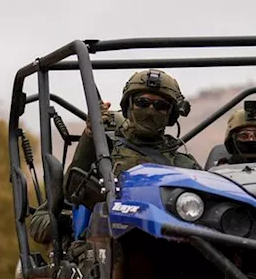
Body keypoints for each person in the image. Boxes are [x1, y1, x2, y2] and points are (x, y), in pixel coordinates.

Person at [66, 69, 199, 201]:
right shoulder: (104, 149)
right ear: (128, 106)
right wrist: (90, 135)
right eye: (142, 103)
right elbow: (71, 191)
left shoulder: (184, 165)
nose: (150, 110)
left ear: (171, 114)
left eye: (160, 105)